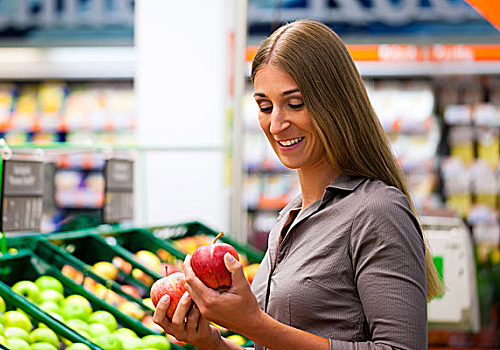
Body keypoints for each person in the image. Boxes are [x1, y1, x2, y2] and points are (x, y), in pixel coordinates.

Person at [153, 19, 444, 350]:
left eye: (295, 103)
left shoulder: (377, 210)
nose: (276, 124)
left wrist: (253, 323)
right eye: (265, 106)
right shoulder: (289, 217)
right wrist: (212, 343)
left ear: (334, 103)